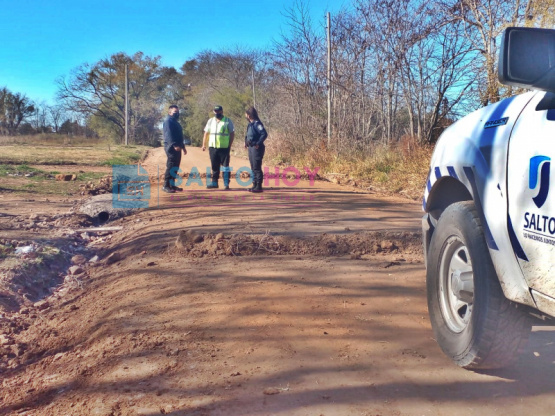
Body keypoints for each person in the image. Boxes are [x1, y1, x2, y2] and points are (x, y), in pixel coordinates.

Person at [202, 105, 235, 190]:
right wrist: (204, 145)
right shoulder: (210, 121)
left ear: (222, 111)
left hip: (224, 148)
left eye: (219, 111)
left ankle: (226, 184)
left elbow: (232, 134)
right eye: (216, 111)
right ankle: (214, 183)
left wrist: (229, 145)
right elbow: (206, 133)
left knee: (225, 166)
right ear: (214, 112)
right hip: (213, 147)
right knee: (214, 166)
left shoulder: (227, 121)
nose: (217, 113)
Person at [162, 105, 187, 193]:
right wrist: (174, 145)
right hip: (171, 147)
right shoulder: (168, 121)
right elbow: (169, 135)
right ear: (170, 113)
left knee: (176, 166)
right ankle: (165, 185)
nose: (177, 114)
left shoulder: (176, 122)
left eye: (177, 112)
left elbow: (180, 136)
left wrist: (183, 147)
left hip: (178, 147)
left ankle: (172, 185)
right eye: (175, 112)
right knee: (171, 165)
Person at [244, 106, 268, 193]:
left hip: (256, 148)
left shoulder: (257, 124)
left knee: (257, 167)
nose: (245, 116)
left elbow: (264, 134)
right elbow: (248, 135)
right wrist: (245, 142)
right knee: (253, 167)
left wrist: (258, 143)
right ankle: (254, 185)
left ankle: (259, 186)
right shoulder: (250, 124)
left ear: (249, 115)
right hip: (251, 148)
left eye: (246, 114)